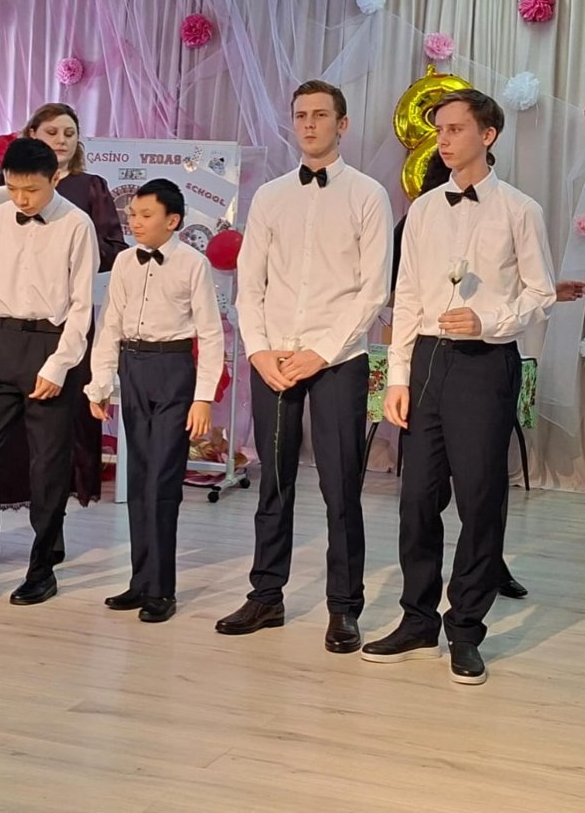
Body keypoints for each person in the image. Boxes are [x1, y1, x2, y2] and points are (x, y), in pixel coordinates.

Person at [362, 89, 557, 685]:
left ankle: (466, 628)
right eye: (439, 130)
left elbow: (541, 293)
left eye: (454, 129)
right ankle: (418, 618)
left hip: (485, 365)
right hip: (426, 363)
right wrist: (397, 378)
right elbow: (407, 296)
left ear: (487, 135)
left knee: (480, 499)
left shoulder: (520, 210)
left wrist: (489, 321)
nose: (442, 140)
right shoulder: (424, 210)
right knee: (417, 499)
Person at [215, 80, 393, 652]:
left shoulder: (367, 194)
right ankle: (266, 595)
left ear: (342, 124)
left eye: (320, 115)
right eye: (300, 115)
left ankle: (344, 607)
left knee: (341, 487)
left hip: (339, 358)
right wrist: (259, 350)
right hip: (274, 357)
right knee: (274, 482)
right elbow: (250, 283)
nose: (309, 124)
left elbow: (374, 290)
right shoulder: (270, 197)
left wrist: (322, 350)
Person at [0, 102, 126, 512]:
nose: (62, 140)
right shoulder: (3, 195)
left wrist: (68, 250)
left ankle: (48, 533)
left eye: (69, 133)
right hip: (3, 334)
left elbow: (108, 255)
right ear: (32, 135)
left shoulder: (88, 194)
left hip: (57, 330)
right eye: (52, 132)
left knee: (52, 451)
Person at [0, 137, 98, 605]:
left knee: (48, 467)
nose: (21, 199)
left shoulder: (77, 224)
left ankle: (42, 569)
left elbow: (82, 305)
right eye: (14, 188)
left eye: (32, 190)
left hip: (50, 345)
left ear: (55, 178)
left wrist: (60, 365)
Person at [85, 178, 224, 623]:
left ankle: (162, 589)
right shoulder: (126, 261)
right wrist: (100, 383)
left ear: (173, 220)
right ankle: (140, 580)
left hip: (173, 369)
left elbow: (211, 333)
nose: (136, 223)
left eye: (146, 216)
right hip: (133, 367)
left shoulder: (193, 264)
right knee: (138, 477)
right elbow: (111, 323)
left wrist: (203, 398)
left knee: (162, 481)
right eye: (133, 215)